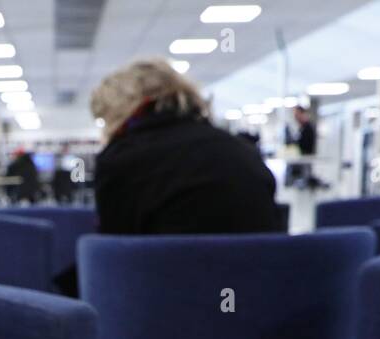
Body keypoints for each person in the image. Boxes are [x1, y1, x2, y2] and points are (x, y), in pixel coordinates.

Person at [52, 58, 279, 295]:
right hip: (259, 302)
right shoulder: (242, 150)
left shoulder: (123, 158)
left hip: (170, 305)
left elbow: (115, 256)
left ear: (120, 110)